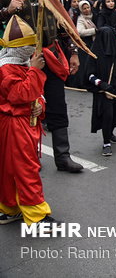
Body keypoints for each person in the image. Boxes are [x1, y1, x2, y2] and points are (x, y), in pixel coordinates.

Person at [0, 15, 56, 226]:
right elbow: (20, 94)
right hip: (14, 125)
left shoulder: (20, 63)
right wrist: (34, 70)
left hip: (18, 122)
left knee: (11, 170)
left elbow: (34, 94)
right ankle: (37, 216)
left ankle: (10, 208)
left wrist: (40, 104)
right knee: (25, 168)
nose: (33, 48)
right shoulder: (6, 68)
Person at [83, 27, 116, 156]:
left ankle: (110, 132)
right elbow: (89, 75)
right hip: (103, 92)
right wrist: (102, 84)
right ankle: (106, 142)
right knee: (107, 115)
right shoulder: (94, 54)